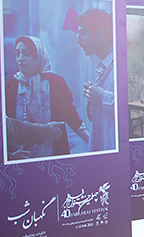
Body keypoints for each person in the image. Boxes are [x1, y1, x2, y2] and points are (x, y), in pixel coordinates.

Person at [5, 35, 89, 159]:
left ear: (38, 55)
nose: (20, 58)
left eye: (26, 53)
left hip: (52, 154)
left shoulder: (56, 83)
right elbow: (7, 126)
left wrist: (93, 143)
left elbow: (71, 116)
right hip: (20, 156)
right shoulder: (11, 85)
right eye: (17, 53)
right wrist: (9, 156)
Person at [77, 8, 117, 152]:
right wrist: (92, 99)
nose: (78, 41)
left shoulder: (121, 65)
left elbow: (133, 106)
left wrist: (102, 96)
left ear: (99, 33)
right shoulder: (104, 66)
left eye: (83, 33)